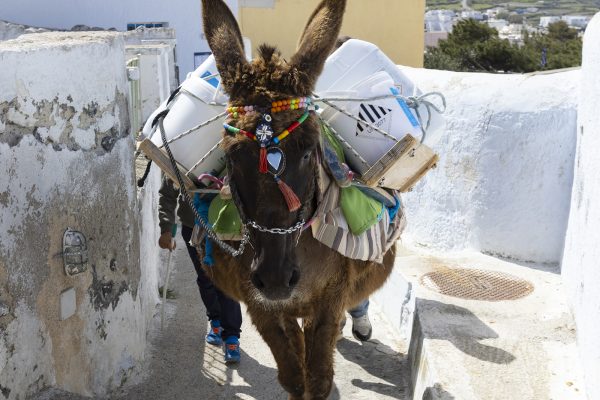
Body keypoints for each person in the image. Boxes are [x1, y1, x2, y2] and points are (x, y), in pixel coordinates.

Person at [158, 175, 242, 363]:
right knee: (205, 277)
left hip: (227, 224)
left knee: (226, 280)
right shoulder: (180, 153)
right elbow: (167, 194)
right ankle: (216, 321)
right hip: (193, 225)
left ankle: (232, 337)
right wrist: (166, 229)